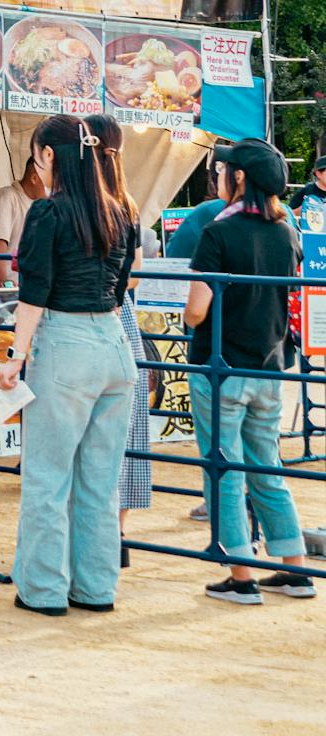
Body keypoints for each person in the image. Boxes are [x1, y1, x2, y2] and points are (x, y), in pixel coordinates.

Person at [0, 115, 137, 617]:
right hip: (115, 344)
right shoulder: (123, 210)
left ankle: (42, 589)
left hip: (64, 344)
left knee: (47, 477)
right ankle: (96, 587)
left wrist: (15, 357)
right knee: (100, 479)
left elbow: (32, 295)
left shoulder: (46, 213)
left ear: (50, 156)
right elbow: (121, 288)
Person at [184, 138, 312, 604]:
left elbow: (197, 310)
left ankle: (242, 576)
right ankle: (293, 567)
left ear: (237, 177)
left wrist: (189, 313)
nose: (215, 177)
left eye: (220, 170)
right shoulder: (286, 231)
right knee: (267, 468)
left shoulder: (218, 232)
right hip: (270, 366)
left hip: (221, 368)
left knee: (224, 472)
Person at [84, 113, 153, 539]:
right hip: (122, 315)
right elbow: (136, 273)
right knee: (127, 425)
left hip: (83, 318)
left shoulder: (76, 201)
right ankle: (118, 529)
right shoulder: (127, 203)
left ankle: (91, 525)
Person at [0, 154, 47, 284]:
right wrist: (3, 286)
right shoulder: (6, 198)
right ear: (34, 178)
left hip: (23, 285)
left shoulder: (41, 205)